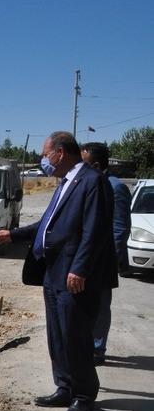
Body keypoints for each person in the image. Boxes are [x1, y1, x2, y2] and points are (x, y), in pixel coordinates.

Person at [0, 131, 116, 411]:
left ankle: (84, 396)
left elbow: (95, 230)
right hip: (53, 272)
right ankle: (65, 387)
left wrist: (80, 268)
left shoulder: (92, 181)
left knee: (76, 337)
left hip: (74, 275)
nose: (43, 160)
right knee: (57, 336)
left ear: (61, 152)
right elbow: (48, 224)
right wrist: (13, 234)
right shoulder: (65, 182)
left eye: (46, 154)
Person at [81, 142, 131, 365]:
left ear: (96, 165)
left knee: (100, 306)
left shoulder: (115, 187)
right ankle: (84, 344)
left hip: (102, 260)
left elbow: (119, 228)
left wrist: (113, 260)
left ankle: (97, 349)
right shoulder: (86, 183)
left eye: (84, 163)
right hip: (83, 257)